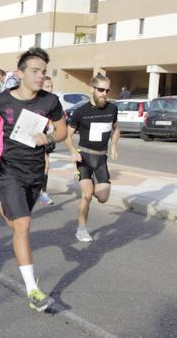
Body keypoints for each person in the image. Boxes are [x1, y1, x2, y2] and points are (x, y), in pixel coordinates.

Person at [0, 47, 66, 312]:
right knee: (24, 224)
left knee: (18, 225)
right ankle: (33, 291)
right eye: (35, 71)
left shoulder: (50, 102)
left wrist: (50, 137)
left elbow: (62, 130)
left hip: (35, 172)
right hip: (8, 171)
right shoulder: (1, 100)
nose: (40, 76)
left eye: (44, 72)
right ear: (20, 73)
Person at [65, 73, 119, 242]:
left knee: (103, 198)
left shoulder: (112, 109)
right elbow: (67, 135)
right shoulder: (81, 112)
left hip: (101, 158)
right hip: (84, 156)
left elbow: (116, 128)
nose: (104, 93)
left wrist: (114, 146)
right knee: (87, 195)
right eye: (101, 89)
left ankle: (85, 184)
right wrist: (73, 150)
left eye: (107, 90)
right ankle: (81, 229)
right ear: (92, 89)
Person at [39, 76, 56, 205]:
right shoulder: (34, 101)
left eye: (51, 86)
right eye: (47, 86)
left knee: (45, 165)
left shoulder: (53, 101)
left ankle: (43, 193)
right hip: (33, 137)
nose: (50, 89)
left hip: (46, 137)